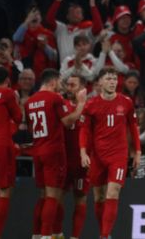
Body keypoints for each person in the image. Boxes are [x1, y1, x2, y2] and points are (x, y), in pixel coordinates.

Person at [80, 67, 141, 239]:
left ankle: (105, 235)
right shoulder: (91, 104)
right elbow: (84, 130)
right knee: (98, 197)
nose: (112, 82)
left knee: (113, 192)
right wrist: (83, 152)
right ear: (99, 82)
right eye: (108, 79)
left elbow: (133, 128)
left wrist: (137, 151)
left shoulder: (126, 102)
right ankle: (104, 233)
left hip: (118, 155)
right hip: (97, 156)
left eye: (114, 79)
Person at [25, 69, 86, 239]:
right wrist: (81, 105)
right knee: (52, 196)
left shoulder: (29, 101)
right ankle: (46, 235)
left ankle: (36, 235)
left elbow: (31, 129)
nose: (62, 85)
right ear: (52, 82)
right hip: (54, 152)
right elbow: (67, 122)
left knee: (43, 196)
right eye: (60, 82)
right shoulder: (55, 98)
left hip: (38, 150)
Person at [0, 67, 22, 238]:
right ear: (7, 80)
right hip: (1, 146)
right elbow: (18, 117)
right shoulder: (7, 93)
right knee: (4, 191)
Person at [62, 75, 89, 239]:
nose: (69, 87)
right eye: (68, 84)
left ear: (82, 88)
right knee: (56, 197)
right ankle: (55, 234)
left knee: (80, 198)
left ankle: (75, 237)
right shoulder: (61, 104)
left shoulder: (91, 107)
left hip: (81, 163)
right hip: (62, 161)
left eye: (73, 85)